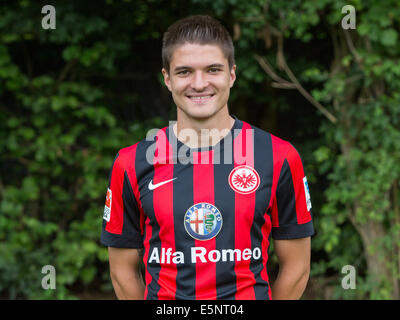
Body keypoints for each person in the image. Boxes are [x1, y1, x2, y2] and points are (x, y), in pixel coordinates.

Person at [100, 15, 314, 300]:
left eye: (213, 69)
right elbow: (122, 273)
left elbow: (297, 266)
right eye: (185, 71)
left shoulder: (279, 157)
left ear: (232, 75)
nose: (199, 84)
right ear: (167, 79)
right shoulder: (131, 163)